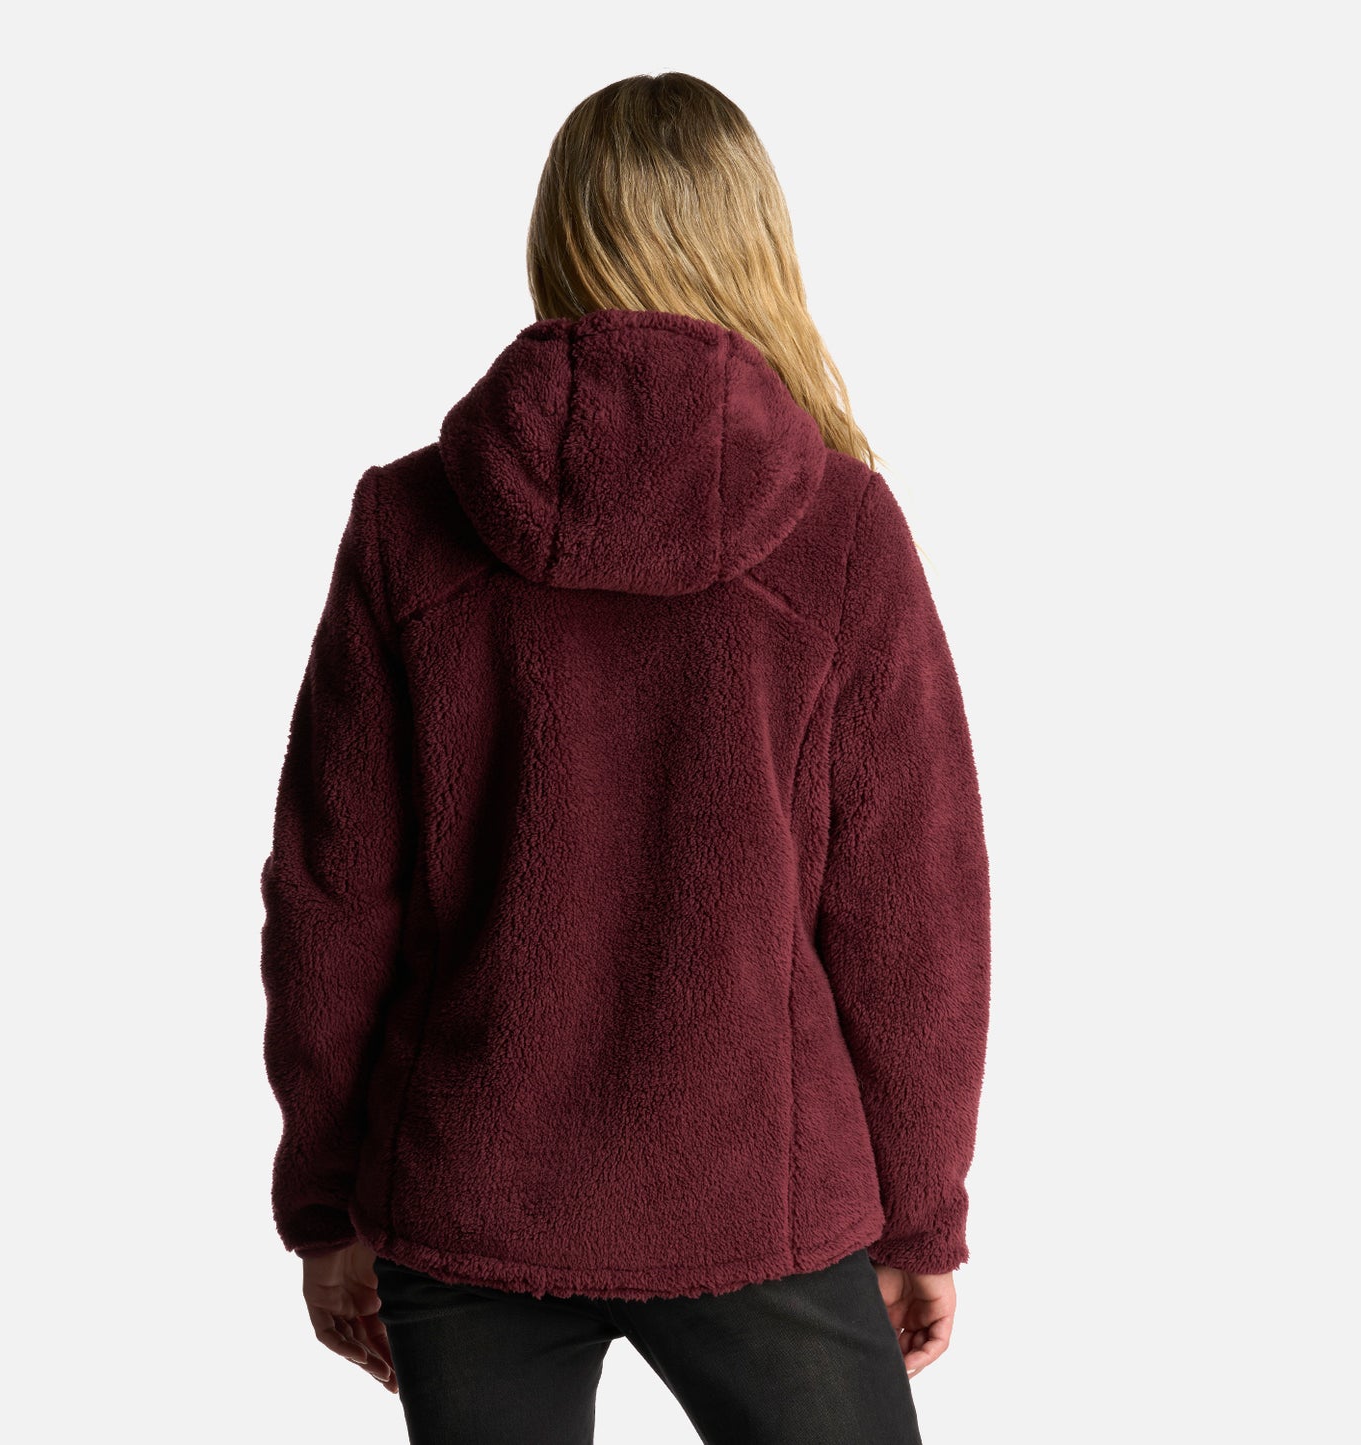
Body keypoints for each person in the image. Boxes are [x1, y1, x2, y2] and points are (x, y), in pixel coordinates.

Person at [258, 71, 991, 1445]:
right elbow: (913, 915)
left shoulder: (410, 520)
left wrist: (325, 1198)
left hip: (468, 1190)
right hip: (760, 1194)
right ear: (755, 247)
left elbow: (331, 897)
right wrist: (919, 1215)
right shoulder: (841, 527)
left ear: (558, 239)